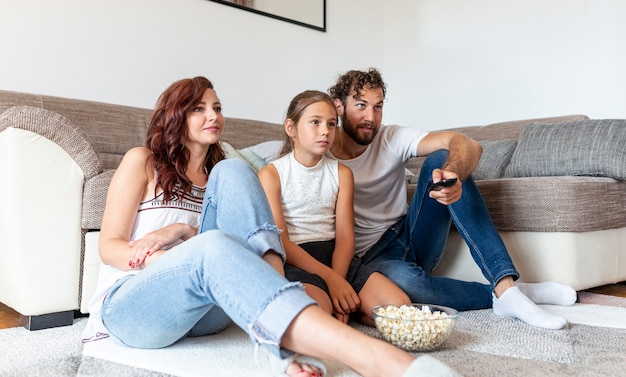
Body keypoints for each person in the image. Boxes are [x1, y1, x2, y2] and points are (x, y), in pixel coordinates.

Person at [81, 76, 464, 377]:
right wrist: (162, 258)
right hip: (133, 307)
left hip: (205, 313)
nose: (214, 115)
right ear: (174, 115)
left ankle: (278, 301)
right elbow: (109, 246)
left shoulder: (220, 174)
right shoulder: (142, 161)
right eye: (199, 108)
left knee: (232, 172)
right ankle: (371, 359)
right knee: (211, 246)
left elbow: (217, 251)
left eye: (217, 107)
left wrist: (180, 233)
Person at [327, 68, 577, 330]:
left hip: (410, 235)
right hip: (372, 258)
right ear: (339, 107)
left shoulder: (390, 137)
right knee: (408, 284)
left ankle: (505, 283)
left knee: (443, 160)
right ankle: (508, 294)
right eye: (361, 106)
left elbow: (467, 143)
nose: (371, 117)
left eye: (377, 107)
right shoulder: (323, 150)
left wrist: (455, 175)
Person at [258, 90, 410, 326]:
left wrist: (338, 280)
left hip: (337, 259)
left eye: (331, 124)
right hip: (296, 260)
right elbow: (281, 240)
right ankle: (346, 308)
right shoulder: (271, 174)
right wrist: (330, 281)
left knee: (401, 308)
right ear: (291, 128)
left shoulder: (341, 173)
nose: (325, 131)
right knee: (318, 315)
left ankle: (350, 308)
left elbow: (346, 238)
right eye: (315, 123)